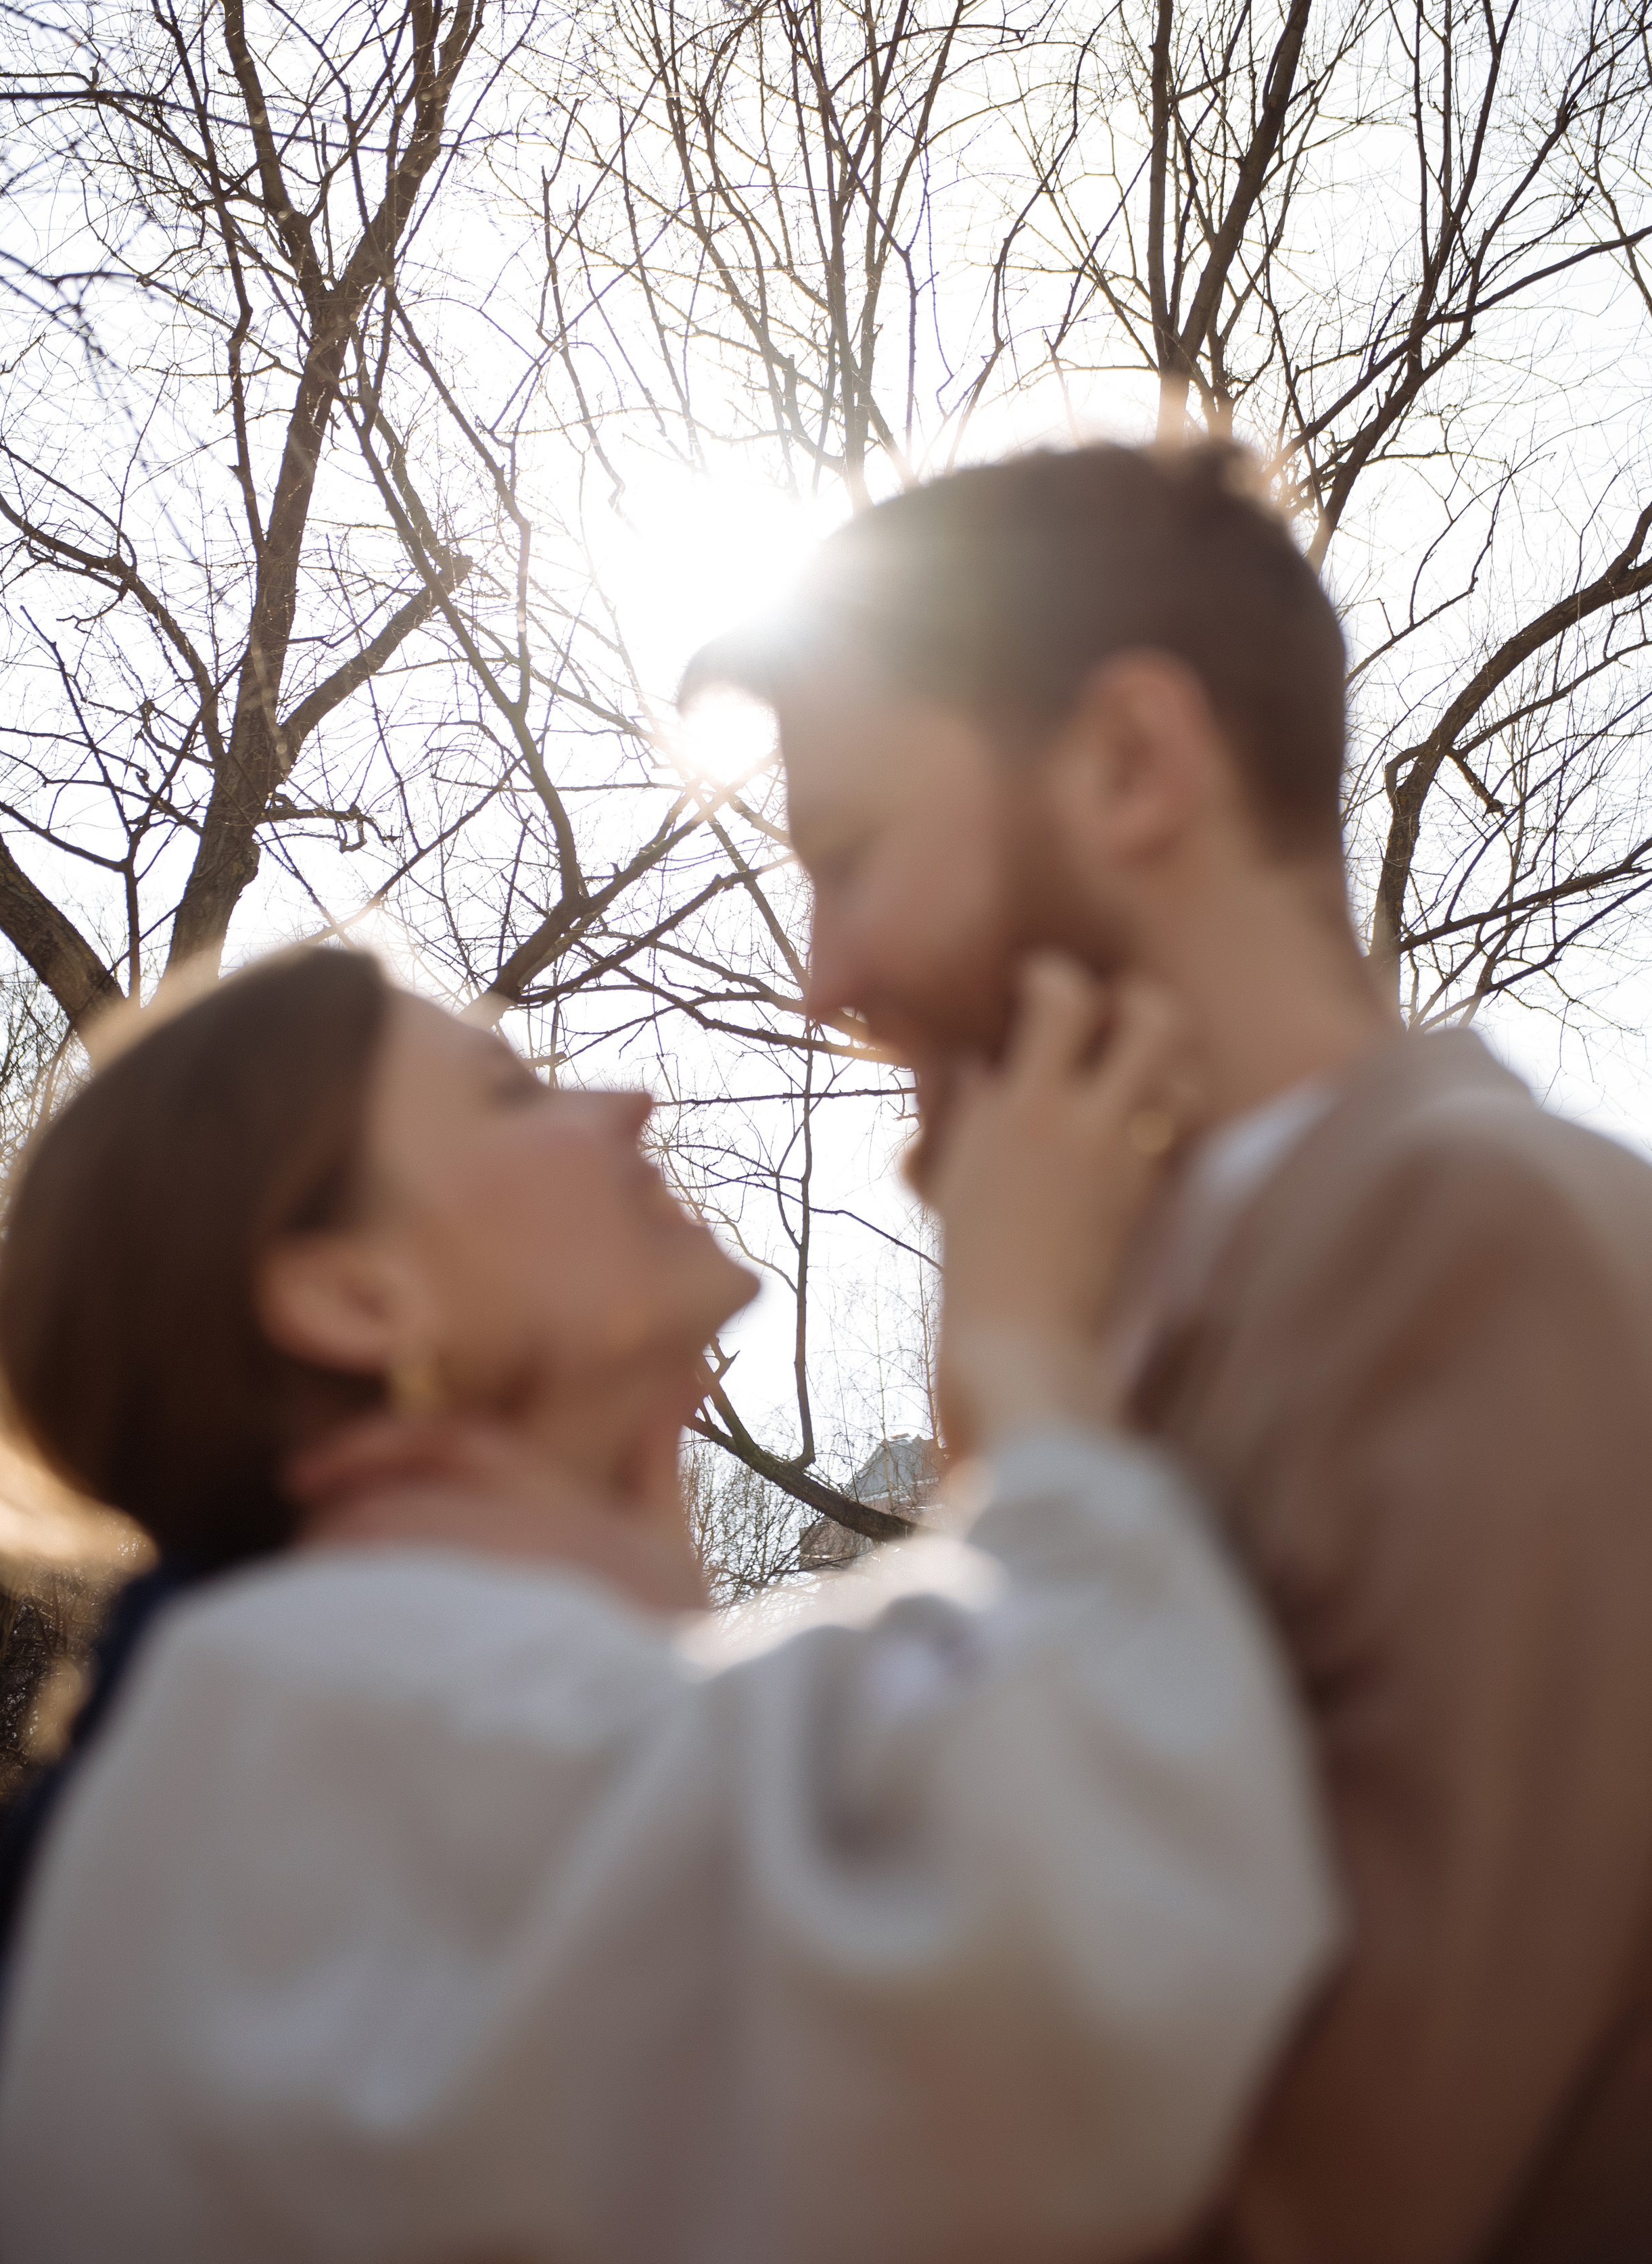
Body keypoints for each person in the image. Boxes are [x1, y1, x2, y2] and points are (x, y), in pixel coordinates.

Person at [0, 941, 1337, 2264]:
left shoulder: (345, 1716)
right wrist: (1027, 1351)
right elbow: (1082, 1956)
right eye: (510, 1094)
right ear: (354, 1296)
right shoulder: (303, 1725)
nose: (627, 1101)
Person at [683, 438, 1652, 2264]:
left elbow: (1323, 2197)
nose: (823, 978)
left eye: (854, 854)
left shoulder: (1484, 1249)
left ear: (1133, 763)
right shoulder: (1101, 1346)